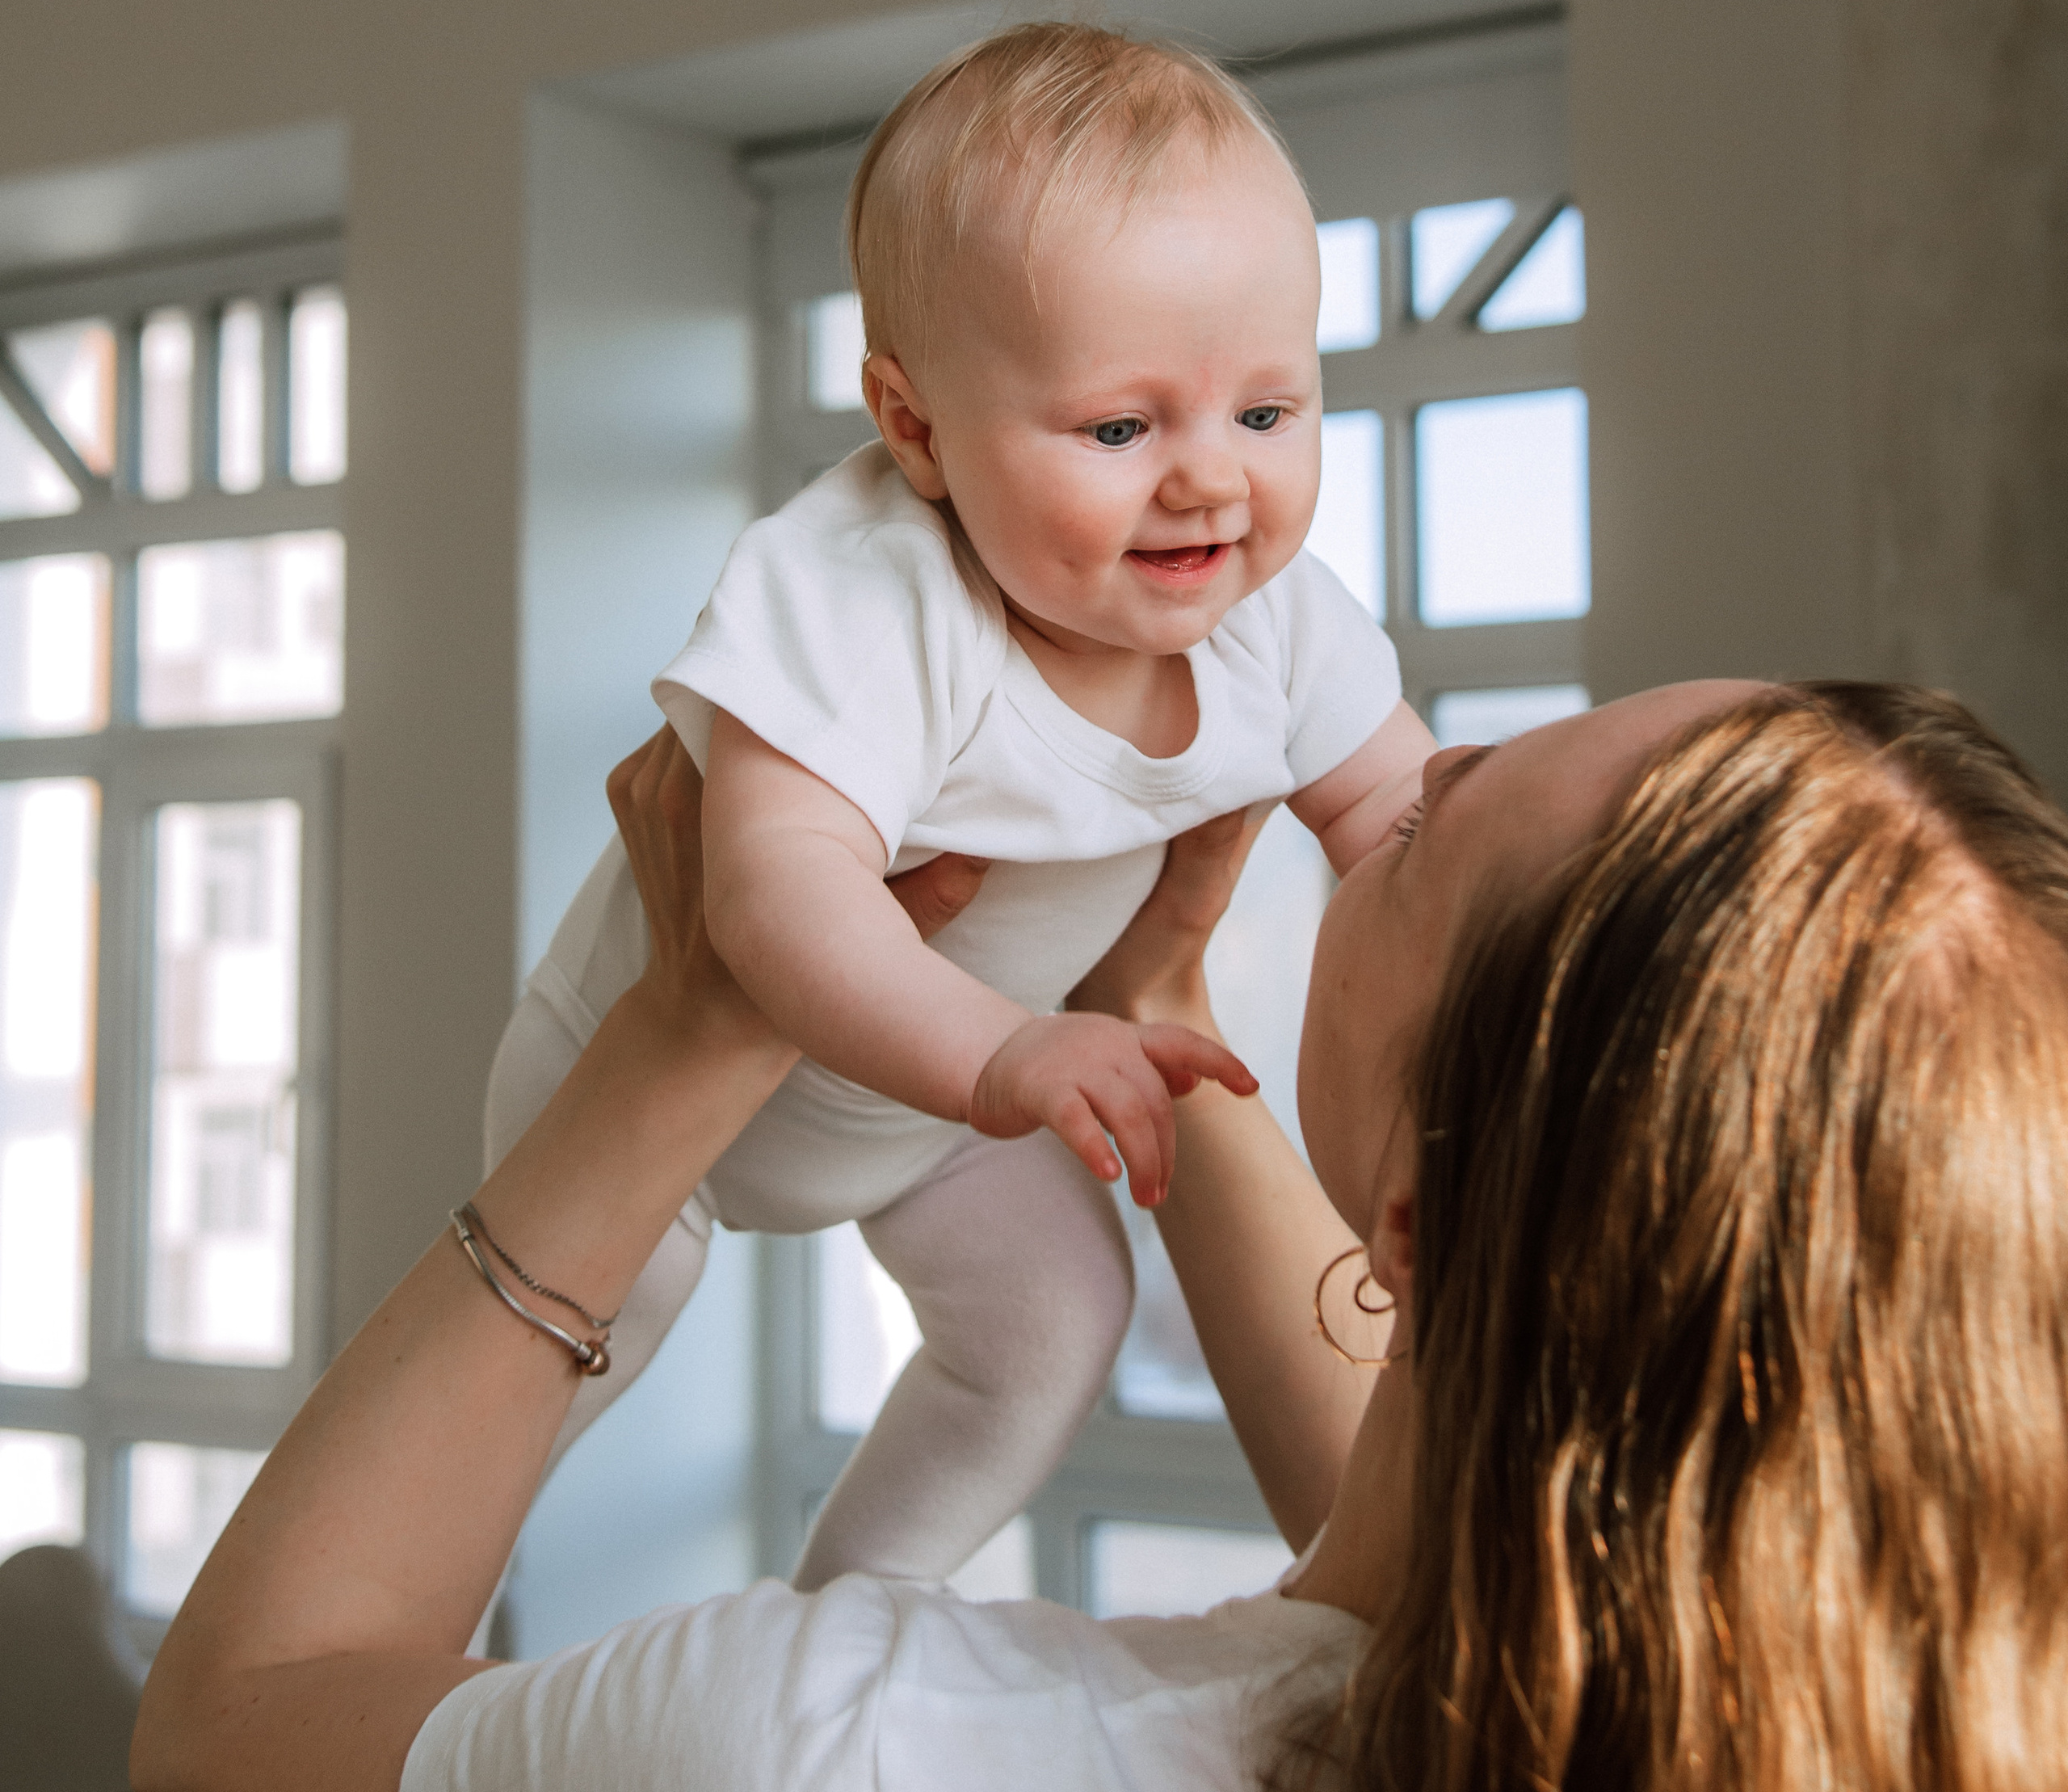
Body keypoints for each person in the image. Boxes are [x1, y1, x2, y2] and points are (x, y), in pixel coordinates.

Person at [133, 677, 2068, 1790]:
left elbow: (235, 1725)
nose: (1364, 776)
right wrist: (1159, 1000)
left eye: (1425, 813)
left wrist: (688, 1028)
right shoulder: (1693, 1697)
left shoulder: (851, 1742)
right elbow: (1417, 1504)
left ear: (1419, 1221)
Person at [485, 20, 1432, 1591]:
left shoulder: (1280, 620)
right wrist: (1004, 1048)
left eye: (1266, 412)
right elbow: (776, 893)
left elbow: (1412, 821)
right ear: (913, 427)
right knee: (586, 1324)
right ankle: (404, 1602)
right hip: (652, 1079)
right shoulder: (867, 594)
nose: (1209, 480)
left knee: (1053, 1320)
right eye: (1120, 428)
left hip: (934, 1126)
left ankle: (847, 1607)